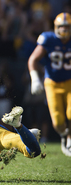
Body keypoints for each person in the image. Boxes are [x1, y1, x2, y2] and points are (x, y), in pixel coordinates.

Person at [28, 12, 71, 157]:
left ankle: (70, 138)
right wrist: (35, 79)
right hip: (52, 82)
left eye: (67, 27)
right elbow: (33, 59)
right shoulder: (48, 39)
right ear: (55, 27)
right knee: (58, 121)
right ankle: (64, 135)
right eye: (61, 27)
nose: (64, 30)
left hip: (70, 81)